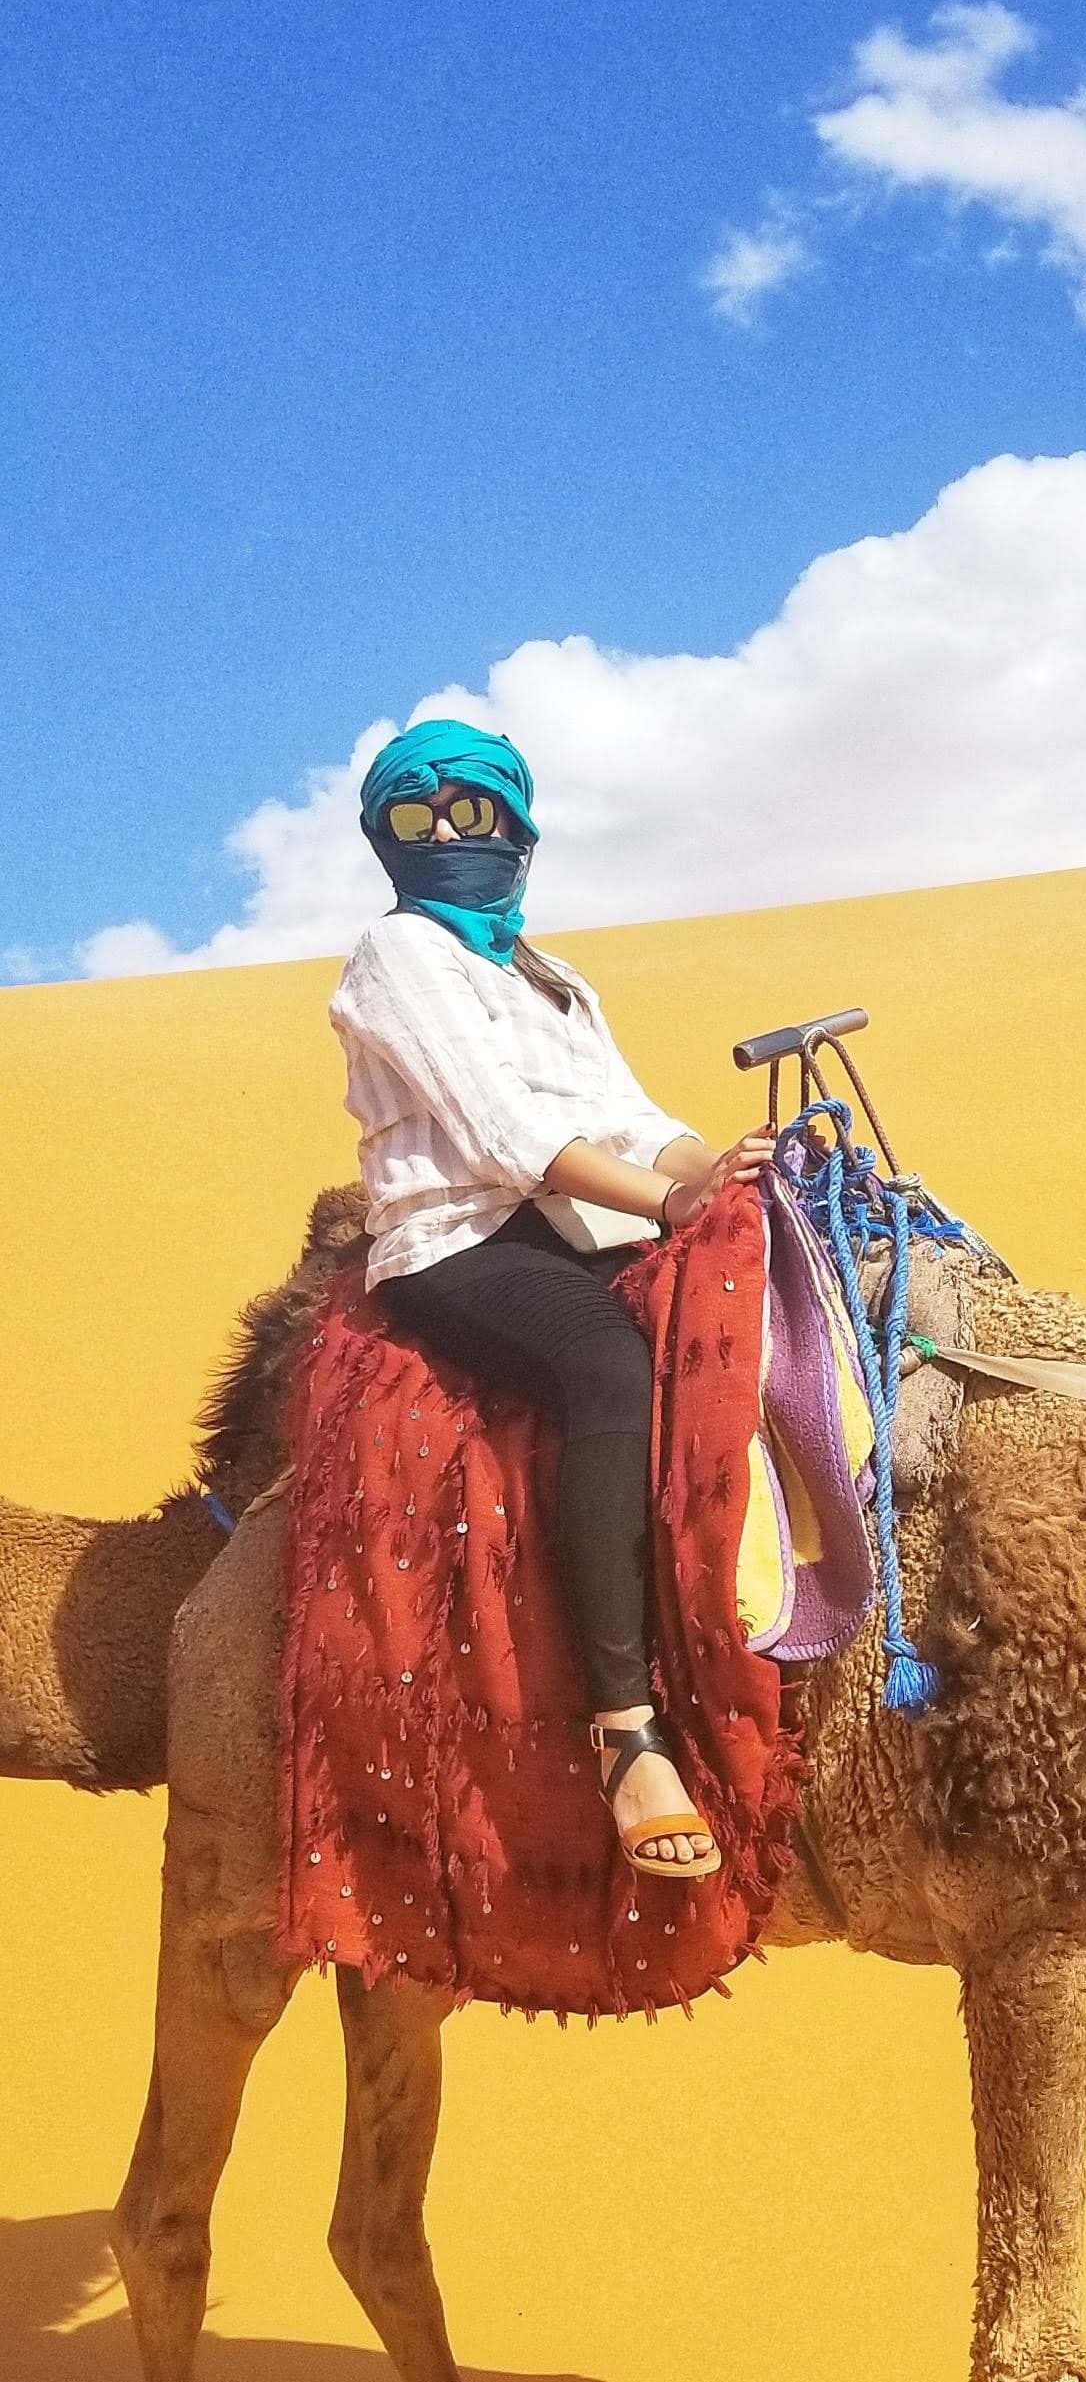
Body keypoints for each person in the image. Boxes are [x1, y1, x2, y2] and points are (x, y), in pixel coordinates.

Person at [329, 718, 771, 1880]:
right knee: (607, 1364)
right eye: (414, 816)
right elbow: (503, 1132)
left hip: (581, 1228)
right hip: (456, 1241)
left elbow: (629, 1113)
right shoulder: (399, 953)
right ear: (383, 837)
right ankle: (625, 1728)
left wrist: (721, 1170)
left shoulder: (550, 975)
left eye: (468, 811)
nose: (444, 836)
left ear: (516, 824)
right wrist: (671, 1202)